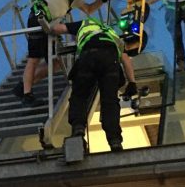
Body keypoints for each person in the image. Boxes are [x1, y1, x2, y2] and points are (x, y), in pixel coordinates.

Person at [12, 0, 134, 107]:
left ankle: (23, 86)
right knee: (34, 58)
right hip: (39, 18)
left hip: (50, 26)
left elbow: (88, 9)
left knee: (56, 63)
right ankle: (26, 94)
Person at [50, 17, 137, 151]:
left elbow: (57, 29)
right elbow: (125, 59)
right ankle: (114, 140)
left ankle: (78, 128)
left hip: (88, 55)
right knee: (110, 101)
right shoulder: (112, 34)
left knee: (79, 95)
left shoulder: (84, 23)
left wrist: (50, 28)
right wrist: (132, 82)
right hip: (110, 60)